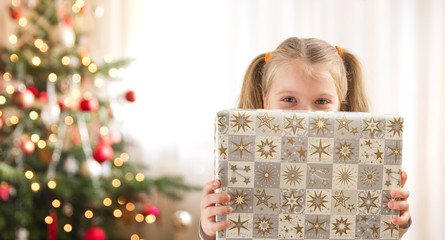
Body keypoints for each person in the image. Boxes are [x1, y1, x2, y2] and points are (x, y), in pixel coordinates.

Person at [199, 37, 411, 239]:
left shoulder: (363, 157)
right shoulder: (244, 156)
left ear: (341, 106)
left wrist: (398, 221)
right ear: (266, 101)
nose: (305, 113)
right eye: (289, 99)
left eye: (321, 101)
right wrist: (211, 230)